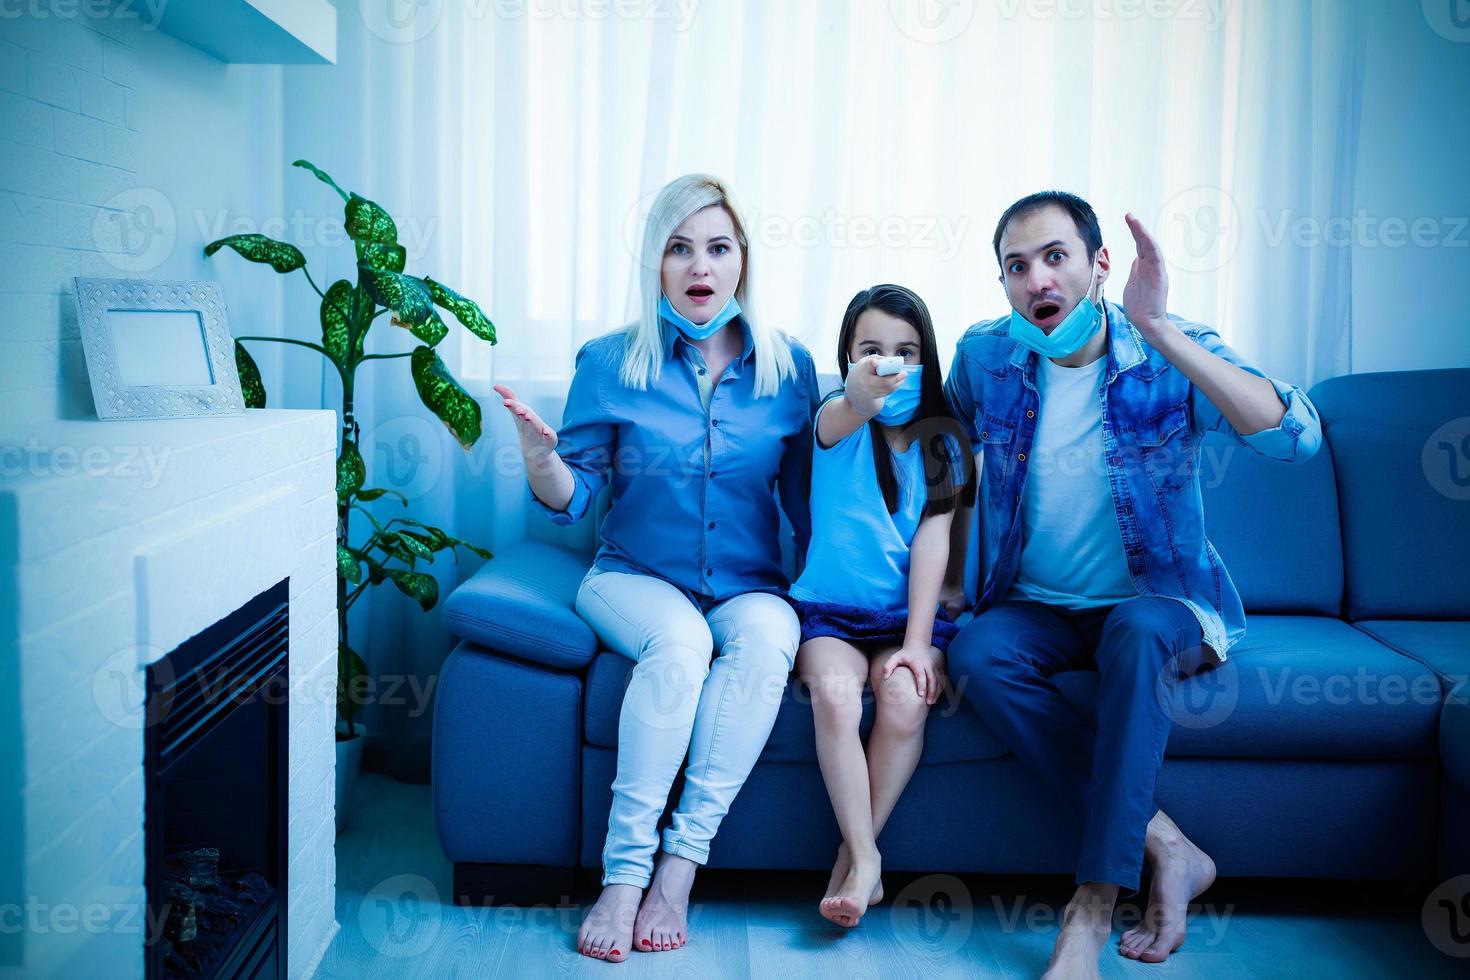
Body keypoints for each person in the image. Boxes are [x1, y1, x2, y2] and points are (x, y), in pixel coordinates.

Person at [941, 191, 1322, 979]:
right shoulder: (986, 357)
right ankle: (1169, 845)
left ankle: (1089, 912)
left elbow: (1297, 439)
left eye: (1055, 257)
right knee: (977, 649)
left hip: (1166, 606)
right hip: (1038, 607)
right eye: (1016, 266)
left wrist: (1160, 329)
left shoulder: (1165, 351)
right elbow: (938, 454)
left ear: (1099, 265)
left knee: (1137, 630)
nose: (1035, 278)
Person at [494, 174, 820, 962]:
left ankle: (679, 870)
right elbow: (572, 499)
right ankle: (623, 876)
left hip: (749, 587)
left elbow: (808, 511)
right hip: (633, 577)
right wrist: (542, 459)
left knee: (770, 634)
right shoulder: (609, 361)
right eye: (680, 248)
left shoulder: (789, 366)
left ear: (742, 260)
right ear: (657, 263)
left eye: (717, 246)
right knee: (680, 646)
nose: (699, 265)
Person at [786, 284, 974, 928]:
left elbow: (934, 540)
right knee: (836, 697)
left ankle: (850, 858)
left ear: (927, 359)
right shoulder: (833, 420)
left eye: (905, 351)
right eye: (871, 350)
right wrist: (859, 396)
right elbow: (847, 409)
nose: (889, 364)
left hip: (904, 619)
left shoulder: (942, 438)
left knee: (903, 697)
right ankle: (868, 859)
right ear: (848, 358)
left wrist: (920, 643)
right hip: (829, 614)